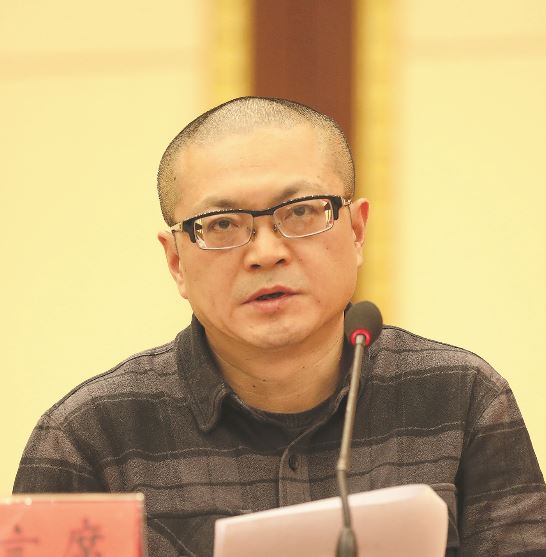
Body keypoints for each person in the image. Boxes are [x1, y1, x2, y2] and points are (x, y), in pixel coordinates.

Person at [14, 97, 545, 557]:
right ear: (176, 261)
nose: (266, 253)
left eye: (301, 212)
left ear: (357, 231)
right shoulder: (91, 435)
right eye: (222, 224)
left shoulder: (460, 396)